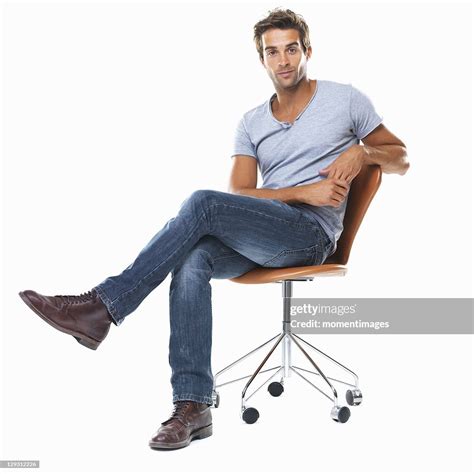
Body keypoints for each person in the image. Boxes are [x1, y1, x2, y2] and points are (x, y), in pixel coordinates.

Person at [18, 7, 409, 450]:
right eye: (272, 52)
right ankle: (192, 405)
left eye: (291, 49)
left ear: (307, 51)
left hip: (311, 237)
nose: (283, 60)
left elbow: (400, 158)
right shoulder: (251, 122)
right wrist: (303, 191)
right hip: (266, 231)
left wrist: (364, 152)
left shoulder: (346, 100)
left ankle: (103, 306)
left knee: (202, 202)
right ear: (262, 60)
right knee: (191, 257)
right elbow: (241, 191)